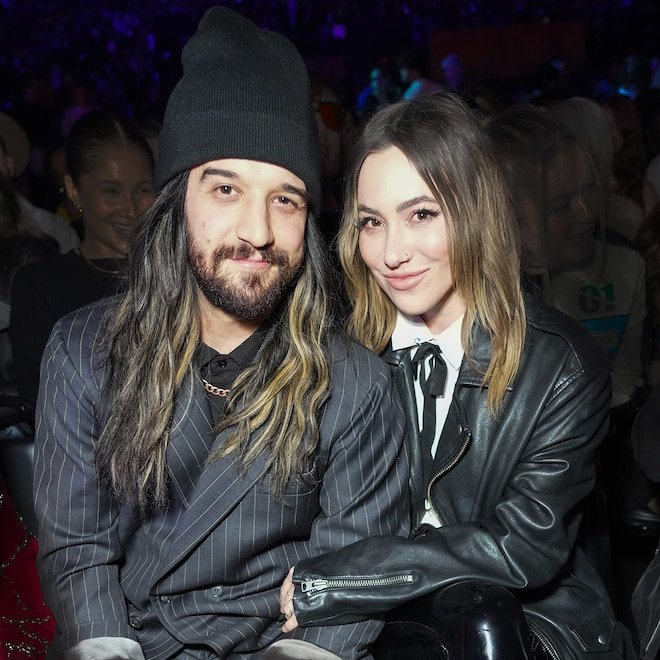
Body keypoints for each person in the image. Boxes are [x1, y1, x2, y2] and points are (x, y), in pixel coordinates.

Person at [34, 8, 409, 660]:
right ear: (177, 200)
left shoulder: (356, 387)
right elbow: (79, 555)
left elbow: (346, 589)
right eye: (227, 188)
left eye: (285, 198)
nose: (257, 231)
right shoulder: (83, 354)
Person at [278, 92, 634, 659]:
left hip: (527, 625)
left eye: (421, 214)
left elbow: (524, 545)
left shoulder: (561, 367)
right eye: (372, 222)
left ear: (475, 211)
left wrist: (342, 580)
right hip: (383, 623)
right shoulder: (342, 354)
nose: (391, 253)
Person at [10, 109, 155, 404]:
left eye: (143, 190)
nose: (130, 209)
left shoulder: (173, 276)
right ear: (74, 191)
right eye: (111, 191)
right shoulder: (41, 288)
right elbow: (42, 405)